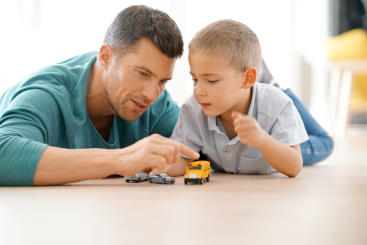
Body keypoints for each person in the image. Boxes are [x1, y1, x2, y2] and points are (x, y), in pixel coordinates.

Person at [0, 5, 199, 186]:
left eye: (162, 81)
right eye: (142, 74)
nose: (151, 94)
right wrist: (119, 160)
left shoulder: (154, 102)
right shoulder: (46, 93)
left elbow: (197, 149)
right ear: (105, 57)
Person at [169, 20, 308, 177]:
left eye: (212, 81)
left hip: (279, 155)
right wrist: (157, 167)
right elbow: (184, 159)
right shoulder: (193, 109)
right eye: (195, 79)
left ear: (247, 78)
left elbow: (294, 167)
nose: (198, 91)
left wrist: (262, 140)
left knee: (315, 148)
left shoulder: (276, 104)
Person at [257, 60, 334, 165]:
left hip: (275, 94)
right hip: (272, 90)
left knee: (326, 142)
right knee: (325, 142)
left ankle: (284, 149)